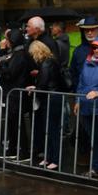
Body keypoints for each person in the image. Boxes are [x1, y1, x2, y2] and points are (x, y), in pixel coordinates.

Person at [75, 36, 98, 181]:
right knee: (94, 139)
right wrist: (78, 100)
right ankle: (96, 168)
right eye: (94, 47)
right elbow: (81, 83)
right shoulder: (87, 62)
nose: (96, 50)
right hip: (87, 107)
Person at [26, 40, 63, 170]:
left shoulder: (45, 63)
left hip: (50, 98)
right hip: (53, 97)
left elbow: (43, 83)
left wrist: (35, 88)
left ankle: (54, 159)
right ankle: (50, 157)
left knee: (51, 130)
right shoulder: (50, 61)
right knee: (50, 129)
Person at [0, 29, 31, 159]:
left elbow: (10, 73)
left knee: (18, 123)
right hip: (11, 93)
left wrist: (3, 64)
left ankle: (23, 151)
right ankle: (13, 148)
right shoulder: (15, 54)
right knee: (11, 122)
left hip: (16, 94)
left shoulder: (20, 55)